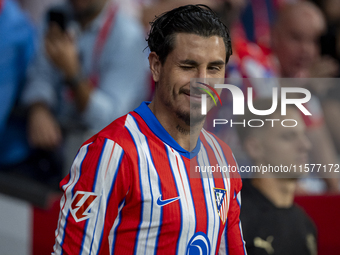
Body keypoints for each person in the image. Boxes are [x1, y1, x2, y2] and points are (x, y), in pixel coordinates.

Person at [52, 4, 247, 255]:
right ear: (156, 66)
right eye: (188, 66)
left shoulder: (222, 158)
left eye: (214, 68)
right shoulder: (111, 152)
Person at [21, 0, 150, 174]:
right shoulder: (57, 16)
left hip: (101, 163)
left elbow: (111, 120)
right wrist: (39, 108)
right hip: (50, 150)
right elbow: (40, 72)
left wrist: (73, 74)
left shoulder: (128, 38)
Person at [236, 99, 318, 255]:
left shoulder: (305, 223)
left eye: (303, 135)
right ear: (254, 147)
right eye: (288, 136)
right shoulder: (234, 219)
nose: (305, 145)